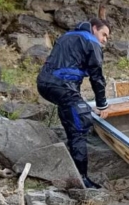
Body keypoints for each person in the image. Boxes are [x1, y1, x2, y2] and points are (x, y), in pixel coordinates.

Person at [37, 18, 111, 189]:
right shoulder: (91, 42)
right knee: (80, 123)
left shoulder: (66, 36)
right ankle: (82, 179)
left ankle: (69, 167)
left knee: (71, 112)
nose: (105, 39)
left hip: (44, 83)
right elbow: (97, 77)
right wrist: (102, 105)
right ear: (94, 29)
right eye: (104, 34)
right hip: (62, 85)